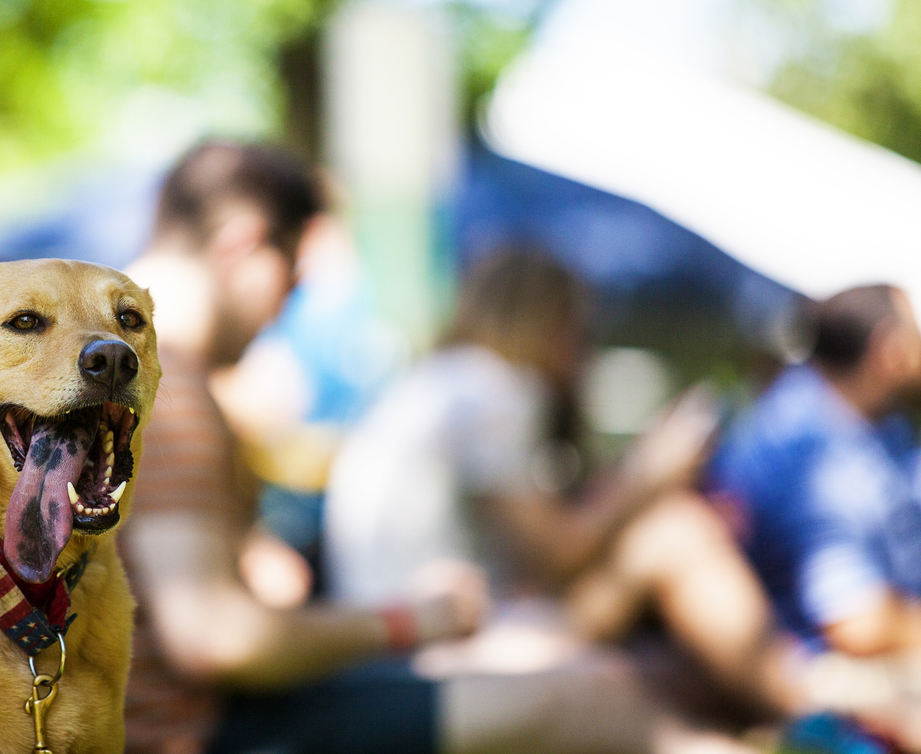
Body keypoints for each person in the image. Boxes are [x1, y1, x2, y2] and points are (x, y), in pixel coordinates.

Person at [120, 144, 757, 754]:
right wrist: (409, 620)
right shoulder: (166, 388)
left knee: (608, 683)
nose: (288, 309)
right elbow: (215, 637)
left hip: (198, 714)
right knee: (599, 693)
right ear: (244, 243)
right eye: (292, 278)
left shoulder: (94, 368)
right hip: (200, 734)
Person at [325, 250, 805, 730]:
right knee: (675, 534)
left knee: (673, 665)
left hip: (399, 624)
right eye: (578, 330)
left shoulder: (443, 380)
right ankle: (803, 712)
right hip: (436, 637)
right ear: (545, 323)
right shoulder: (497, 392)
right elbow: (559, 552)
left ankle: (792, 709)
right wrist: (649, 473)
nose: (583, 354)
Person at [710, 285, 921, 656]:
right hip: (819, 681)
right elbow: (856, 622)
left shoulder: (871, 423)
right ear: (889, 348)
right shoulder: (810, 445)